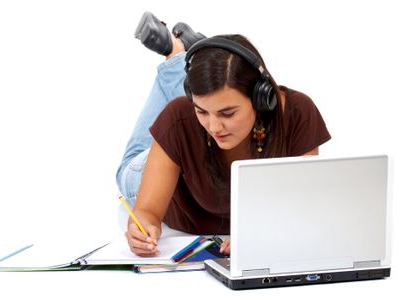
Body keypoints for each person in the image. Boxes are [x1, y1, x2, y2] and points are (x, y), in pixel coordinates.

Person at [116, 12, 331, 256]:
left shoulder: (295, 112)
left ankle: (183, 55)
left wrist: (257, 233)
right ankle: (177, 55)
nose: (214, 127)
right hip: (152, 172)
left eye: (228, 113)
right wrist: (141, 227)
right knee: (126, 169)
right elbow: (147, 212)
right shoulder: (180, 119)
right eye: (201, 112)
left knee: (211, 96)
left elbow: (305, 203)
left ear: (261, 99)